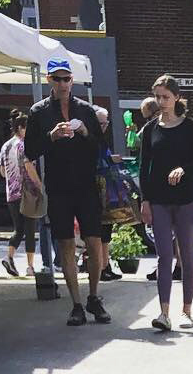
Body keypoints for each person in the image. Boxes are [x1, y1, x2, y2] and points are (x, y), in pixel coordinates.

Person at [24, 58, 111, 326]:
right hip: (59, 187)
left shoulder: (85, 109)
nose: (62, 83)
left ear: (72, 80)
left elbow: (101, 147)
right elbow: (30, 151)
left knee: (95, 241)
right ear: (49, 80)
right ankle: (76, 304)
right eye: (57, 79)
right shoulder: (38, 111)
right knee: (65, 244)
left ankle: (94, 297)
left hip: (85, 185)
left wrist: (85, 131)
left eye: (66, 79)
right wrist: (51, 136)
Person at [139, 75, 193, 331]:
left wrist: (184, 169)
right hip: (158, 199)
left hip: (186, 200)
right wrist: (145, 200)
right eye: (158, 97)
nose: (161, 102)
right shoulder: (150, 129)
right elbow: (143, 168)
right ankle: (164, 312)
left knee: (186, 253)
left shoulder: (189, 127)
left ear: (176, 97)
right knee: (164, 256)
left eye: (165, 97)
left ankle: (187, 311)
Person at [139, 97, 183, 283]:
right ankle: (177, 266)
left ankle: (169, 267)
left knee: (165, 230)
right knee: (175, 230)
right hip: (176, 184)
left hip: (165, 186)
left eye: (146, 117)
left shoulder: (157, 130)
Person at [0, 110, 39, 277]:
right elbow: (29, 167)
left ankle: (9, 257)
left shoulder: (5, 146)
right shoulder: (25, 145)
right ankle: (30, 267)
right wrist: (39, 185)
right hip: (28, 192)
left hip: (11, 193)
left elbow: (2, 171)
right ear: (22, 128)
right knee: (30, 229)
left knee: (19, 229)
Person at [94, 106, 122, 282]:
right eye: (101, 124)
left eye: (106, 123)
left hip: (107, 191)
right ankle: (101, 267)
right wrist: (110, 161)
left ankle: (106, 265)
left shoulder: (102, 140)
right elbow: (96, 163)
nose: (104, 127)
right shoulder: (93, 140)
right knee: (100, 231)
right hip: (98, 191)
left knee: (106, 231)